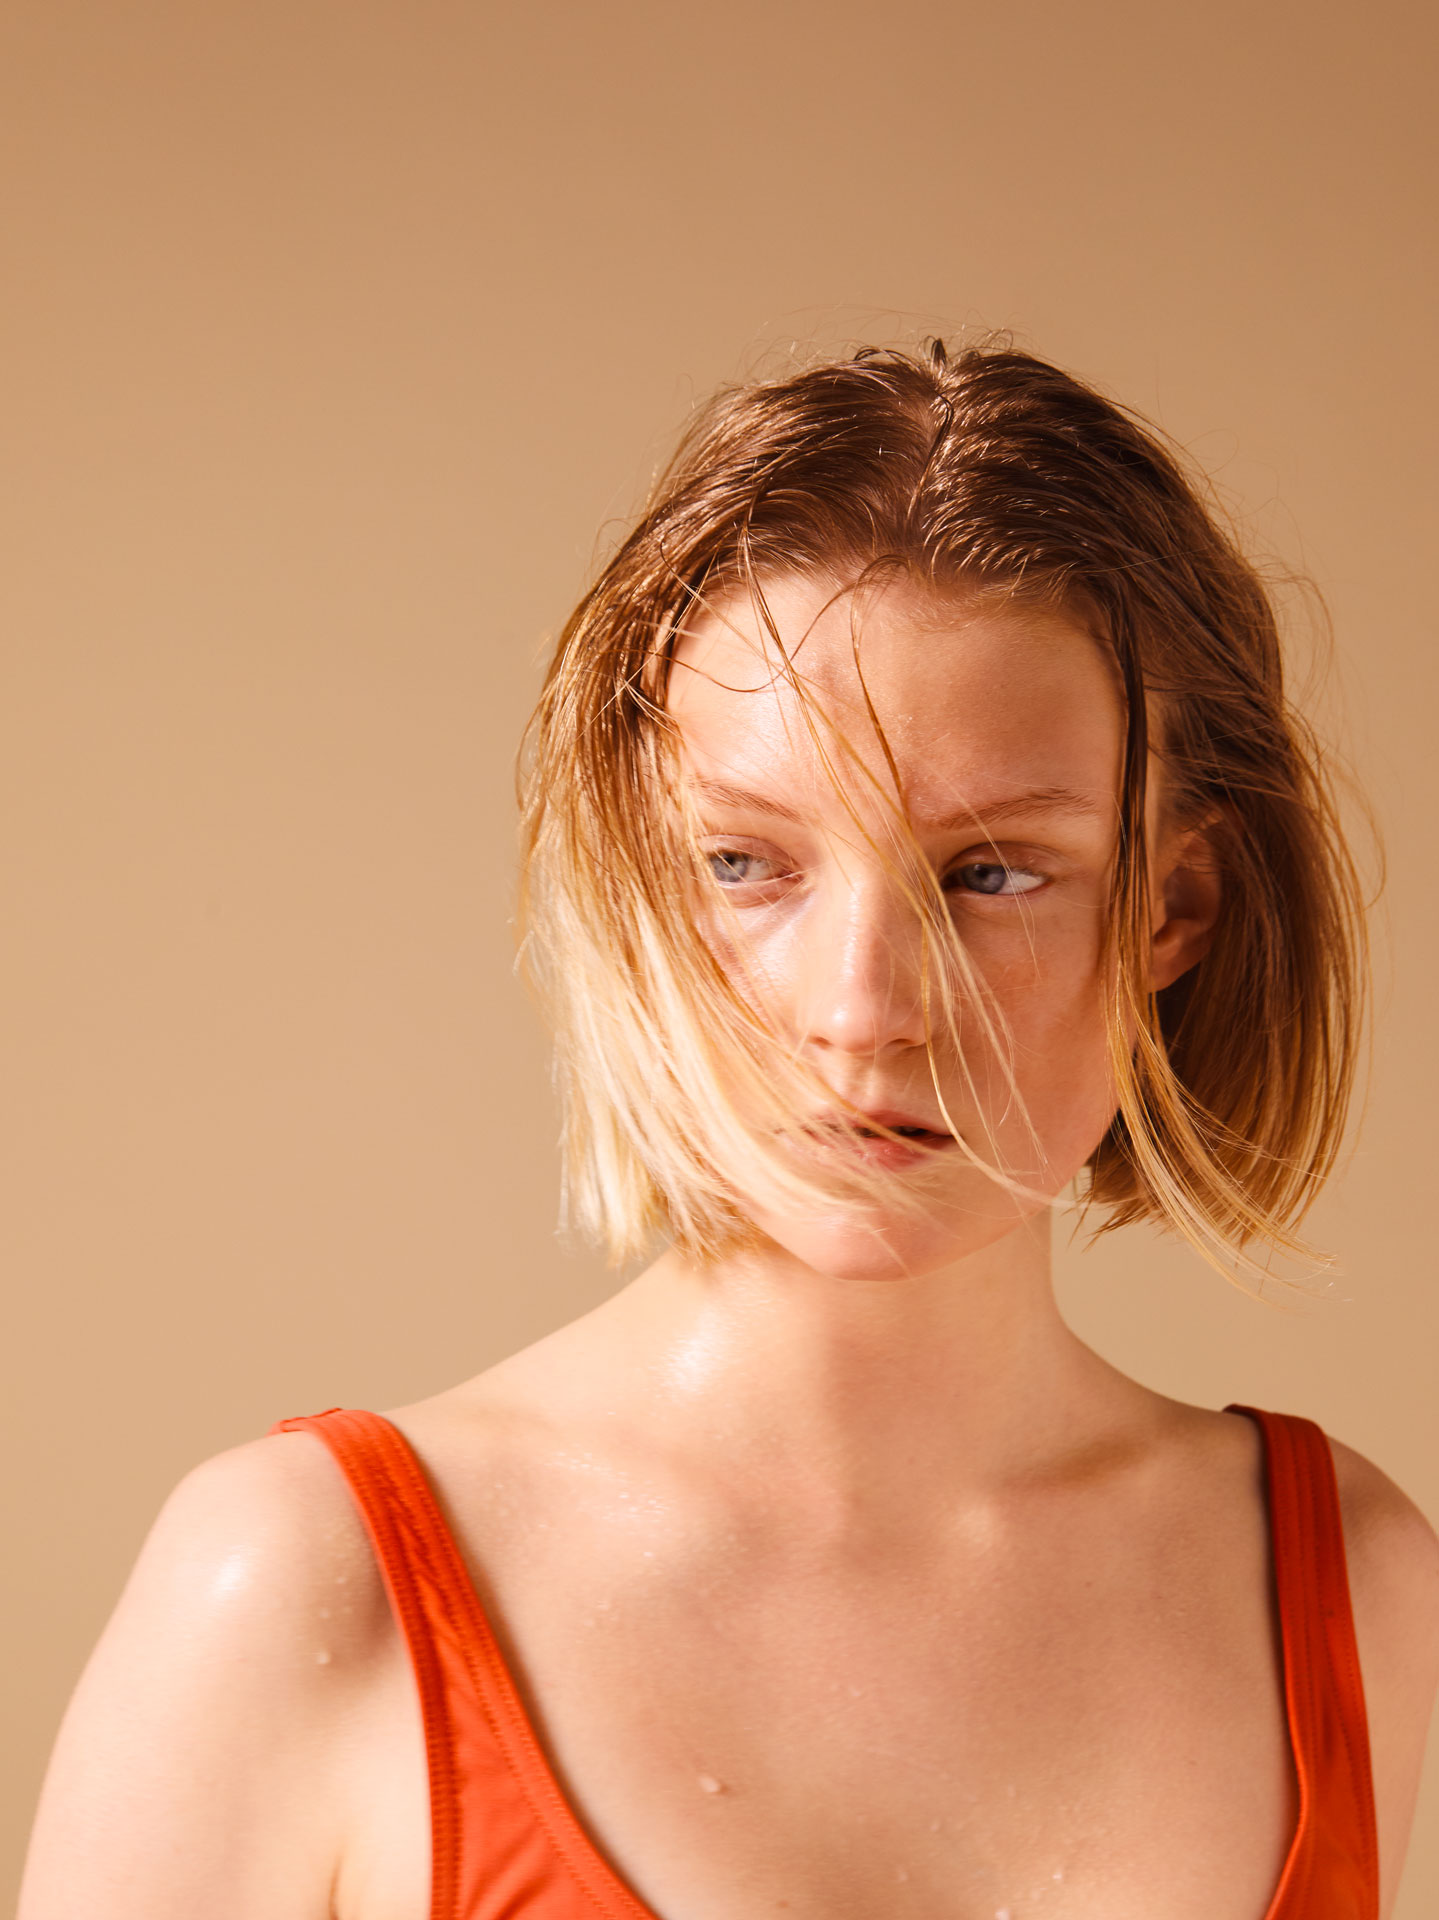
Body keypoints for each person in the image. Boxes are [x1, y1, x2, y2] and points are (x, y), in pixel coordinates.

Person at [19, 340, 1439, 1920]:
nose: (863, 1007)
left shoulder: (1357, 1586)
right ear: (644, 873)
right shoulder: (304, 1584)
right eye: (747, 864)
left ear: (1176, 904)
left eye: (991, 875)